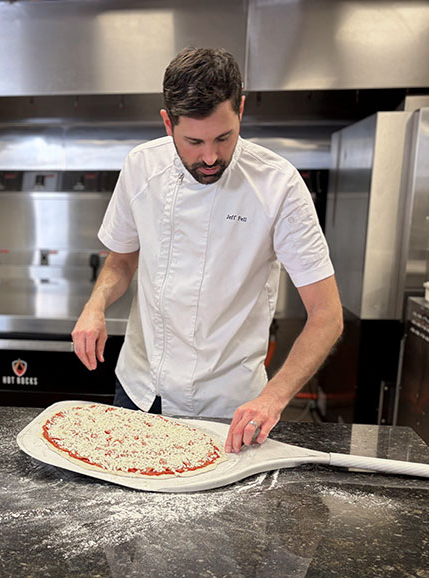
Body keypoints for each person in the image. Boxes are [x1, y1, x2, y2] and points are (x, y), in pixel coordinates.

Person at [71, 47, 343, 454]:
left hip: (231, 407)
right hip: (140, 392)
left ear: (241, 110)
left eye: (224, 137)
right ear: (167, 123)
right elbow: (122, 258)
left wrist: (274, 397)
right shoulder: (141, 168)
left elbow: (327, 316)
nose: (211, 156)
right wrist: (95, 305)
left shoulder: (278, 186)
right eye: (193, 141)